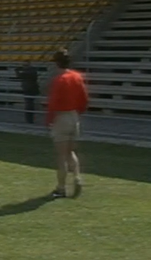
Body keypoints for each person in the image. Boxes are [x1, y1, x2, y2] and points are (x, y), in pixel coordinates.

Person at [46, 48, 89, 199]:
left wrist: (50, 120)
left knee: (61, 156)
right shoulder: (77, 77)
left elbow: (53, 103)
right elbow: (84, 98)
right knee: (71, 152)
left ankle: (61, 188)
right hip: (73, 115)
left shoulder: (59, 80)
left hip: (61, 117)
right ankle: (77, 177)